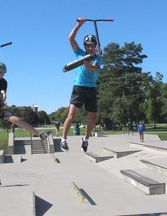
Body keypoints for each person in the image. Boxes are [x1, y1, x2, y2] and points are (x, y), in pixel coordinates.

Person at [0, 51, 51, 146]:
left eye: (3, 74)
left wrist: (3, 97)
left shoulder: (4, 82)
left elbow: (3, 92)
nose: (1, 75)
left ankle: (40, 134)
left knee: (15, 120)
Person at [61, 17, 103, 153]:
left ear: (95, 45)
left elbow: (93, 69)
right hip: (79, 87)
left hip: (91, 89)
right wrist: (79, 25)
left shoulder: (98, 57)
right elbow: (70, 39)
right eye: (88, 45)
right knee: (72, 115)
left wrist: (85, 60)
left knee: (93, 117)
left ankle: (85, 140)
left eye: (92, 45)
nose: (90, 48)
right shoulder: (79, 53)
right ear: (85, 46)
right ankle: (64, 140)